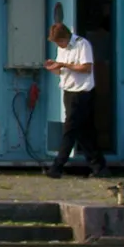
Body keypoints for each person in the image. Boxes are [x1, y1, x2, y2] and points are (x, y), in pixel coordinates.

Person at [48, 19, 106, 175]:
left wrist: (64, 65)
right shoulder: (62, 49)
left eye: (60, 41)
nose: (59, 45)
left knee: (70, 129)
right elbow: (62, 72)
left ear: (66, 37)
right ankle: (98, 166)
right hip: (68, 90)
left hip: (81, 92)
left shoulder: (82, 45)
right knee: (84, 130)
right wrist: (54, 67)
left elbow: (86, 68)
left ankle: (57, 166)